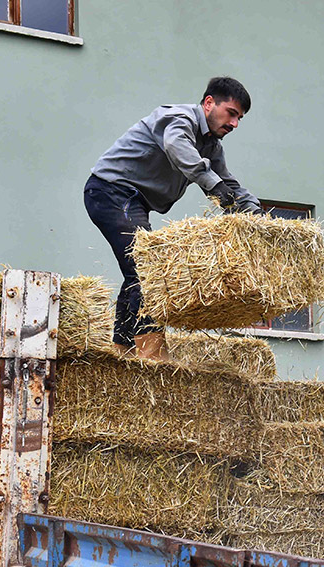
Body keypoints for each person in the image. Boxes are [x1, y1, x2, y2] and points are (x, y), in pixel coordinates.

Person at [84, 76, 262, 360]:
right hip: (110, 190)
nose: (234, 124)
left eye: (239, 118)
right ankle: (151, 353)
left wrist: (255, 211)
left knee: (139, 270)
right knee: (148, 266)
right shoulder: (178, 119)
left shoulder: (212, 147)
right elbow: (179, 148)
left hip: (133, 201)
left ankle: (121, 348)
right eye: (231, 113)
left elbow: (228, 183)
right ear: (208, 103)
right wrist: (212, 185)